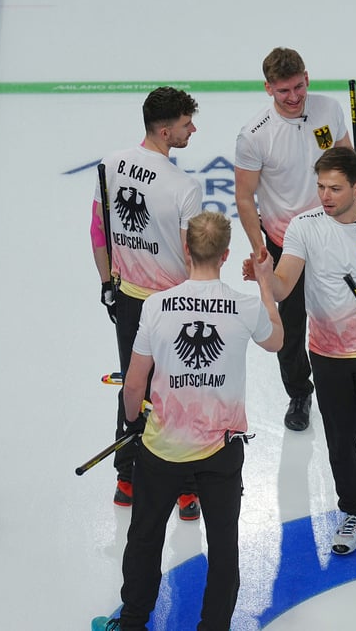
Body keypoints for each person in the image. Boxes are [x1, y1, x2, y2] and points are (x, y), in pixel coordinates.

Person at [246, 146, 356, 581]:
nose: (324, 196)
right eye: (321, 187)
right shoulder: (304, 227)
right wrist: (265, 275)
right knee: (340, 443)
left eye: (334, 188)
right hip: (326, 355)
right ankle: (353, 511)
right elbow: (286, 286)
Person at [103, 211, 284, 631]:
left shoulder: (155, 306)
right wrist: (262, 282)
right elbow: (277, 340)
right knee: (223, 547)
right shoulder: (244, 306)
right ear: (225, 254)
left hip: (162, 448)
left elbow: (133, 385)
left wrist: (133, 425)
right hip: (221, 452)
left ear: (186, 249)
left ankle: (131, 622)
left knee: (145, 538)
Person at [90, 86, 204, 518]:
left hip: (127, 300)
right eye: (185, 123)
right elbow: (192, 257)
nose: (192, 129)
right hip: (172, 305)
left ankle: (128, 478)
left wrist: (106, 283)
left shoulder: (111, 164)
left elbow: (98, 232)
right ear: (164, 128)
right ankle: (187, 489)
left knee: (133, 387)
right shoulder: (183, 187)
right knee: (177, 391)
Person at [234, 46, 356, 432]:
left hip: (332, 233)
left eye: (299, 87)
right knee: (288, 330)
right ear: (268, 88)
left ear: (307, 76)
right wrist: (259, 250)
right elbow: (243, 196)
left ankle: (345, 384)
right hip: (285, 243)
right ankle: (300, 393)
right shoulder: (254, 135)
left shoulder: (329, 109)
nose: (293, 97)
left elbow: (348, 164)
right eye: (283, 90)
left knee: (342, 315)